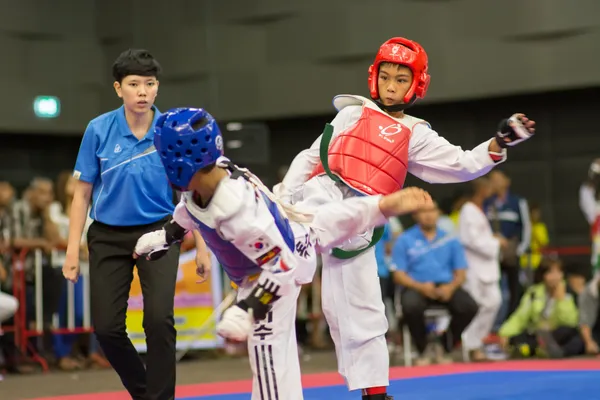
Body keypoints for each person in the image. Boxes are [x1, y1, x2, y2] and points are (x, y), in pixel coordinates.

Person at [278, 36, 536, 399]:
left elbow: (461, 164)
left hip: (362, 221)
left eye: (401, 79)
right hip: (316, 201)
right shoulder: (351, 112)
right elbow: (310, 157)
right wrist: (283, 194)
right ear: (373, 76)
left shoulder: (415, 133)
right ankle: (252, 304)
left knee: (365, 307)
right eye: (386, 76)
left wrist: (499, 143)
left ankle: (375, 392)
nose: (391, 85)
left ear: (417, 85)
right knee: (282, 273)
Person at [133, 107, 435, 400]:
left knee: (268, 354)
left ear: (182, 162)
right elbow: (190, 207)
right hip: (292, 226)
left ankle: (378, 207)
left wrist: (248, 309)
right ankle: (379, 207)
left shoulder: (236, 213)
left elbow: (284, 267)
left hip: (277, 268)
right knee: (320, 222)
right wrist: (167, 235)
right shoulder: (206, 176)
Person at [62, 49, 202, 400]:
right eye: (134, 84)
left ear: (157, 88)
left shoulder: (172, 130)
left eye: (149, 84)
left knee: (158, 321)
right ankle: (146, 393)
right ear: (118, 88)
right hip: (107, 236)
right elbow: (80, 196)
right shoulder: (98, 129)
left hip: (159, 232)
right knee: (107, 330)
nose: (142, 91)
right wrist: (71, 251)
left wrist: (202, 246)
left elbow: (190, 191)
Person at [393, 202, 478, 365]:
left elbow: (461, 272)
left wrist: (450, 287)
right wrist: (420, 287)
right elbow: (398, 275)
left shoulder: (450, 238)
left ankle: (444, 344)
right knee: (410, 306)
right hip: (416, 286)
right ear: (415, 215)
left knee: (469, 306)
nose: (428, 215)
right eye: (423, 211)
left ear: (438, 213)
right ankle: (422, 348)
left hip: (445, 287)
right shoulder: (405, 239)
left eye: (432, 210)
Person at [498, 258, 583, 359]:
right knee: (518, 338)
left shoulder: (568, 292)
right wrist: (505, 333)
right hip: (539, 333)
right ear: (543, 275)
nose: (555, 277)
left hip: (559, 333)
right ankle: (538, 349)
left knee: (576, 339)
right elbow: (520, 316)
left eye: (558, 272)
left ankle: (548, 351)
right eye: (550, 273)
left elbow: (571, 321)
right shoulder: (534, 292)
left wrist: (561, 299)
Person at [458, 177, 503, 361]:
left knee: (493, 301)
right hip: (473, 266)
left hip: (485, 265)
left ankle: (474, 342)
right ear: (480, 190)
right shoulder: (468, 210)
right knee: (476, 305)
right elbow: (471, 240)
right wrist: (496, 242)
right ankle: (471, 346)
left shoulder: (479, 210)